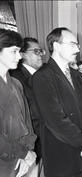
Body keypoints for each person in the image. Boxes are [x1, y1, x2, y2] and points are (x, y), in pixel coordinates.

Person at [32, 27, 82, 177]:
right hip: (63, 159)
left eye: (77, 45)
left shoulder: (77, 76)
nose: (77, 49)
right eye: (72, 44)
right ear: (56, 46)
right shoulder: (42, 77)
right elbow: (56, 121)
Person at [0, 28, 37, 177]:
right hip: (5, 162)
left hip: (25, 159)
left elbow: (27, 122)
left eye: (19, 52)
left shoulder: (16, 83)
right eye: (13, 51)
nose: (19, 57)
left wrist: (29, 151)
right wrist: (21, 154)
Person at [9, 37, 45, 176]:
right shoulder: (16, 78)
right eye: (36, 51)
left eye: (41, 51)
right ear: (23, 54)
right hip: (28, 147)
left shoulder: (42, 76)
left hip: (43, 143)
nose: (41, 54)